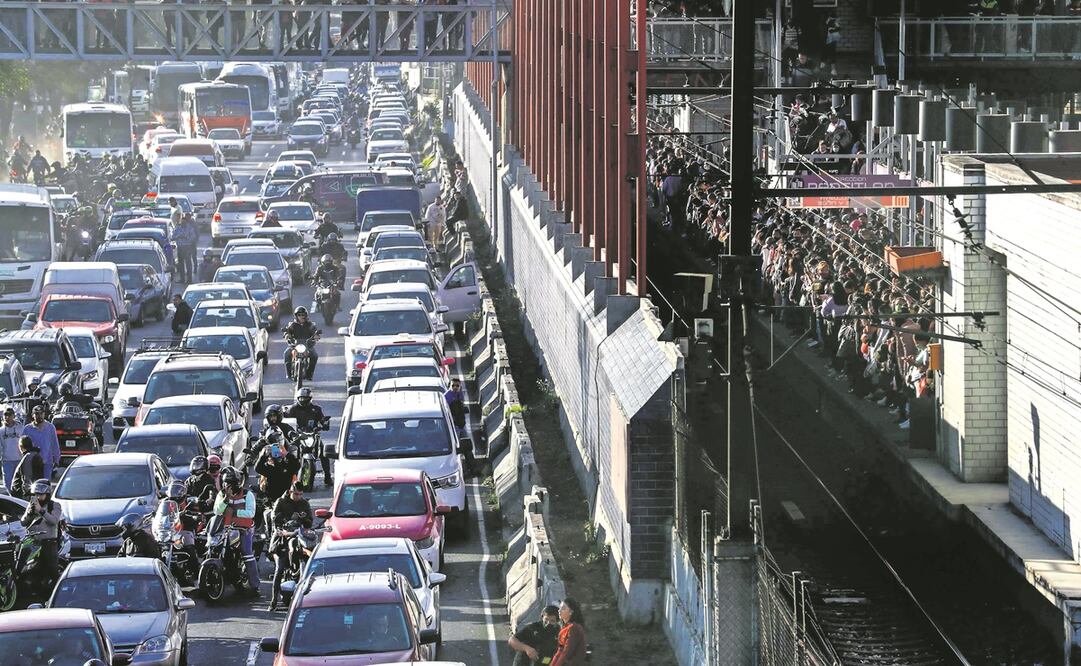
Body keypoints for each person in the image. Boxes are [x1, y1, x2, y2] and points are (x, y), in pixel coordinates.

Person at [213, 466, 260, 595]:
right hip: (226, 529)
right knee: (212, 547)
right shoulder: (221, 495)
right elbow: (217, 511)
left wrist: (234, 512)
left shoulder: (247, 494)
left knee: (247, 553)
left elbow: (251, 513)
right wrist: (225, 499)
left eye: (231, 483)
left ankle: (255, 585)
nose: (228, 486)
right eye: (226, 483)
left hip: (244, 529)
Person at [269, 482, 313, 611]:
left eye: (300, 494)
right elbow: (274, 517)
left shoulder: (304, 504)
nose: (298, 496)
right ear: (290, 491)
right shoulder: (281, 501)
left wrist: (303, 519)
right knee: (279, 568)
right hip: (282, 537)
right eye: (295, 494)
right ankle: (273, 600)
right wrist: (283, 521)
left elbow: (310, 521)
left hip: (299, 535)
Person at [284, 387, 331, 486]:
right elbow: (286, 422)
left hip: (312, 434)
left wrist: (324, 424)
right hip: (298, 435)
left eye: (305, 398)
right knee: (289, 453)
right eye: (301, 398)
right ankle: (287, 477)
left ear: (310, 399)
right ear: (298, 398)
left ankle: (327, 477)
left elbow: (322, 419)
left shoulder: (316, 409)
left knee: (324, 452)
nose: (303, 400)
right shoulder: (293, 409)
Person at [22, 479, 62, 587]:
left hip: (49, 543)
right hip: (34, 543)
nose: (38, 497)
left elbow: (54, 520)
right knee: (30, 569)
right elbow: (23, 522)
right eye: (36, 494)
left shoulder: (54, 505)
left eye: (41, 495)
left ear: (47, 494)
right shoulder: (32, 505)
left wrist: (41, 511)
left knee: (52, 569)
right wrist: (29, 513)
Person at [283, 307, 321, 380]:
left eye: (303, 315)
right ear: (296, 316)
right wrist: (287, 335)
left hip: (307, 346)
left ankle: (309, 374)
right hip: (294, 346)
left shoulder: (310, 324)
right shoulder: (292, 325)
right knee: (286, 354)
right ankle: (288, 374)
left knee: (315, 355)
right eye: (299, 315)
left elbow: (314, 331)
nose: (301, 316)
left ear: (306, 315)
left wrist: (316, 336)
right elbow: (287, 331)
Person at [22, 406, 60, 481]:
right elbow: (22, 446)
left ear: (44, 414)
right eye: (36, 414)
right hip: (32, 462)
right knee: (33, 486)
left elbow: (55, 444)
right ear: (33, 415)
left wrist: (56, 459)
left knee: (45, 484)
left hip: (47, 462)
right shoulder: (27, 429)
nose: (39, 416)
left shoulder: (50, 427)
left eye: (41, 413)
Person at [550, 598, 587, 666]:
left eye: (563, 608)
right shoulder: (565, 628)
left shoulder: (574, 628)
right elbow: (560, 651)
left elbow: (566, 652)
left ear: (571, 612)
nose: (559, 610)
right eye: (559, 608)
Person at [0, 408, 23, 492]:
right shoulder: (1, 431)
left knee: (19, 482)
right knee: (8, 484)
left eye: (9, 415)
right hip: (6, 461)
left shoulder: (20, 428)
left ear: (13, 416)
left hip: (19, 459)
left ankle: (19, 500)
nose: (7, 417)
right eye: (5, 415)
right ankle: (10, 499)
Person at [174, 213, 198, 283]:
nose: (183, 224)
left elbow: (193, 237)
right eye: (182, 222)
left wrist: (186, 237)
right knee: (180, 264)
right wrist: (178, 236)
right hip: (180, 248)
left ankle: (189, 279)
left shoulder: (190, 228)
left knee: (188, 264)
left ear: (186, 222)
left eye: (184, 222)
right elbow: (172, 237)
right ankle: (182, 279)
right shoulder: (178, 228)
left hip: (187, 247)